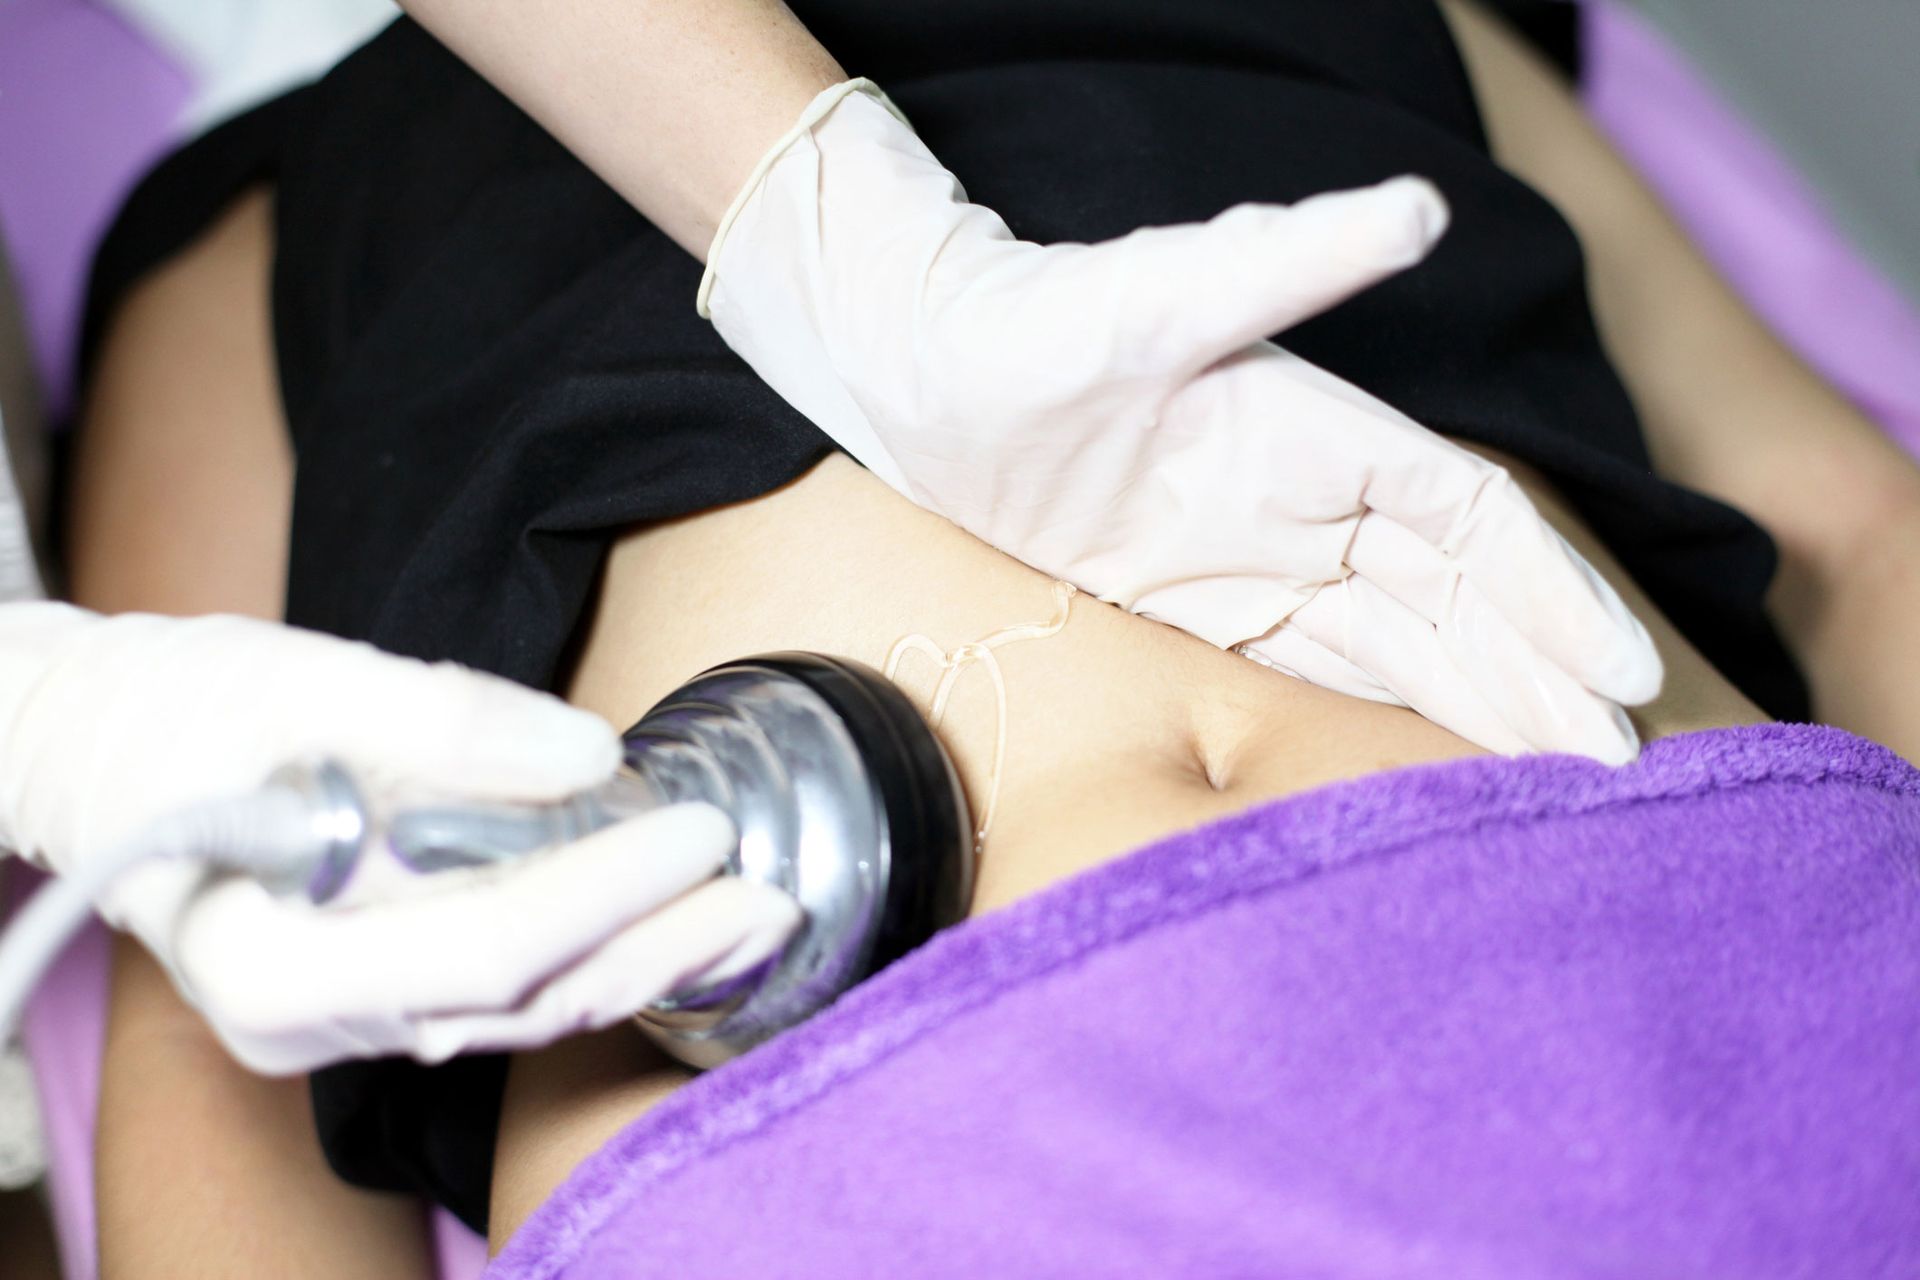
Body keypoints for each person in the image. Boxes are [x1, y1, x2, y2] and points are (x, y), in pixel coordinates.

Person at [62, 1, 1920, 1272]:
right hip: (896, 1162)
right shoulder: (297, 197)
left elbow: (1845, 524)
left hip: (1721, 986)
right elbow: (195, 990)